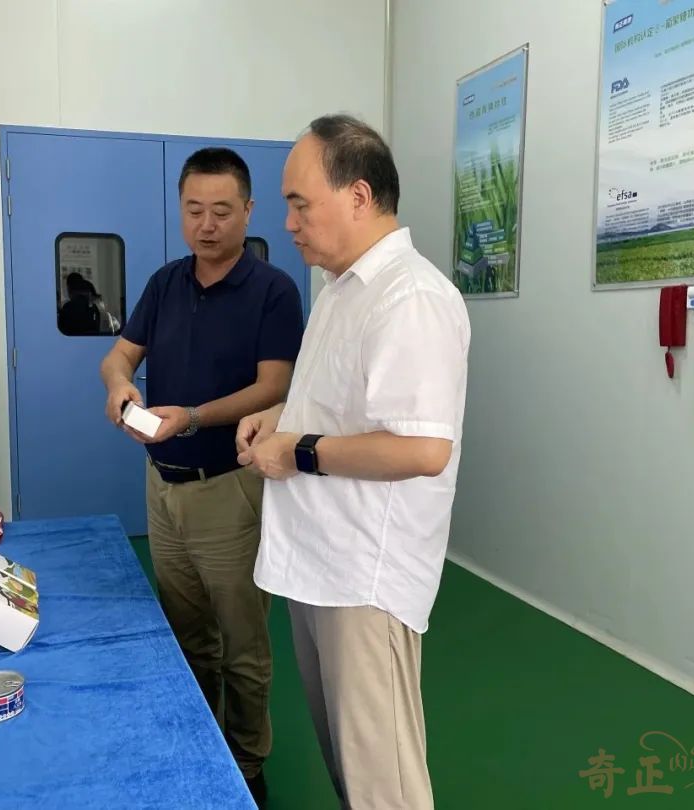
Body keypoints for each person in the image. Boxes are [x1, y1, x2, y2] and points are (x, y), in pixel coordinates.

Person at [237, 115, 471, 809]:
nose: (288, 223)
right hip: (319, 563)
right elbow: (341, 403)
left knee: (383, 786)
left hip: (364, 578)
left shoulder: (412, 298)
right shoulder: (342, 290)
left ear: (359, 196)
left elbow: (422, 448)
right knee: (350, 768)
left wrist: (299, 449)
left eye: (300, 204)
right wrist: (279, 419)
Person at [99, 147, 304, 803]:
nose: (207, 225)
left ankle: (246, 763)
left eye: (221, 211)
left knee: (242, 644)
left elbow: (274, 386)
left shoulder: (274, 291)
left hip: (230, 489)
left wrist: (191, 417)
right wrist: (120, 384)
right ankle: (200, 745)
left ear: (248, 210)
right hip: (163, 488)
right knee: (185, 635)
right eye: (194, 210)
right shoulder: (165, 283)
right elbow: (119, 356)